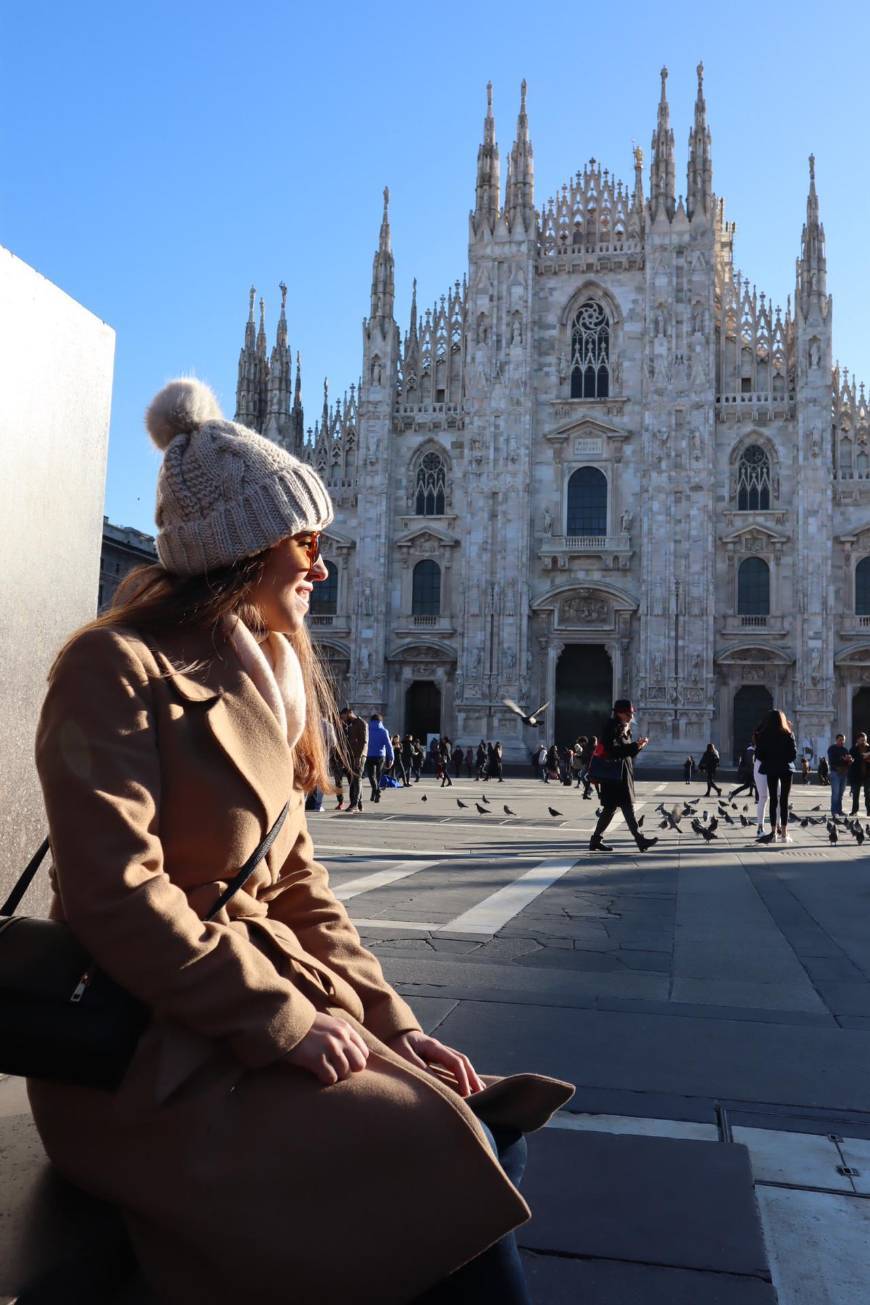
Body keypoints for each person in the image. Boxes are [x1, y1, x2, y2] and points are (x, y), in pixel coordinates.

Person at [28, 377, 574, 1304]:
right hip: (142, 1053)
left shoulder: (270, 674)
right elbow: (117, 896)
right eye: (306, 543)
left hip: (236, 1021)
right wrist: (280, 1021)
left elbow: (297, 888)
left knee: (478, 1121)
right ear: (242, 550)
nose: (324, 563)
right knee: (440, 1155)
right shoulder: (112, 668)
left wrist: (396, 1024)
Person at [589, 699, 658, 853]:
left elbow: (626, 752)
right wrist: (634, 746)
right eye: (628, 714)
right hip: (614, 775)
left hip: (621, 772)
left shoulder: (623, 727)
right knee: (627, 806)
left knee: (609, 809)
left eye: (631, 714)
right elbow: (612, 751)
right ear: (619, 713)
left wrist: (638, 747)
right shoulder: (611, 727)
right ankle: (640, 839)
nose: (630, 717)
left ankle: (595, 840)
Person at [755, 710, 797, 842]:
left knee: (773, 800)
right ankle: (784, 834)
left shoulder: (764, 736)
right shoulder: (788, 734)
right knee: (784, 800)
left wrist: (770, 758)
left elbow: (760, 755)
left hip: (771, 769)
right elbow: (793, 755)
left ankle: (773, 833)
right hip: (785, 769)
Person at [341, 705, 368, 812]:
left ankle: (355, 804)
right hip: (352, 755)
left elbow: (364, 741)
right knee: (354, 780)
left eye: (344, 716)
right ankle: (358, 803)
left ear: (349, 712)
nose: (343, 719)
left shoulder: (361, 723)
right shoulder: (350, 725)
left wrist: (358, 757)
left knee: (357, 779)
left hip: (359, 756)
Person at [366, 713, 394, 802]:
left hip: (369, 755)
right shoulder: (384, 731)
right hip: (381, 756)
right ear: (380, 721)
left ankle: (375, 791)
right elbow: (389, 745)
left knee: (371, 775)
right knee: (378, 775)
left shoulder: (367, 730)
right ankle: (376, 791)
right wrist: (391, 758)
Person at [827, 733, 853, 817]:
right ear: (836, 740)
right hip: (835, 773)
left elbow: (847, 762)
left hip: (844, 773)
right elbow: (832, 760)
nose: (842, 741)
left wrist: (850, 760)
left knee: (841, 793)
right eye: (840, 740)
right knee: (835, 793)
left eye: (843, 740)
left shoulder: (845, 749)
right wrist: (842, 759)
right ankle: (834, 811)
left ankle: (839, 810)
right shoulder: (832, 749)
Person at [849, 733, 870, 816]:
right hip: (856, 774)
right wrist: (862, 757)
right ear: (858, 740)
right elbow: (851, 760)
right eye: (862, 740)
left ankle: (869, 810)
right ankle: (854, 810)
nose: (863, 741)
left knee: (868, 793)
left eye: (865, 739)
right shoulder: (853, 749)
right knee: (855, 794)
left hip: (868, 775)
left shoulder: (869, 748)